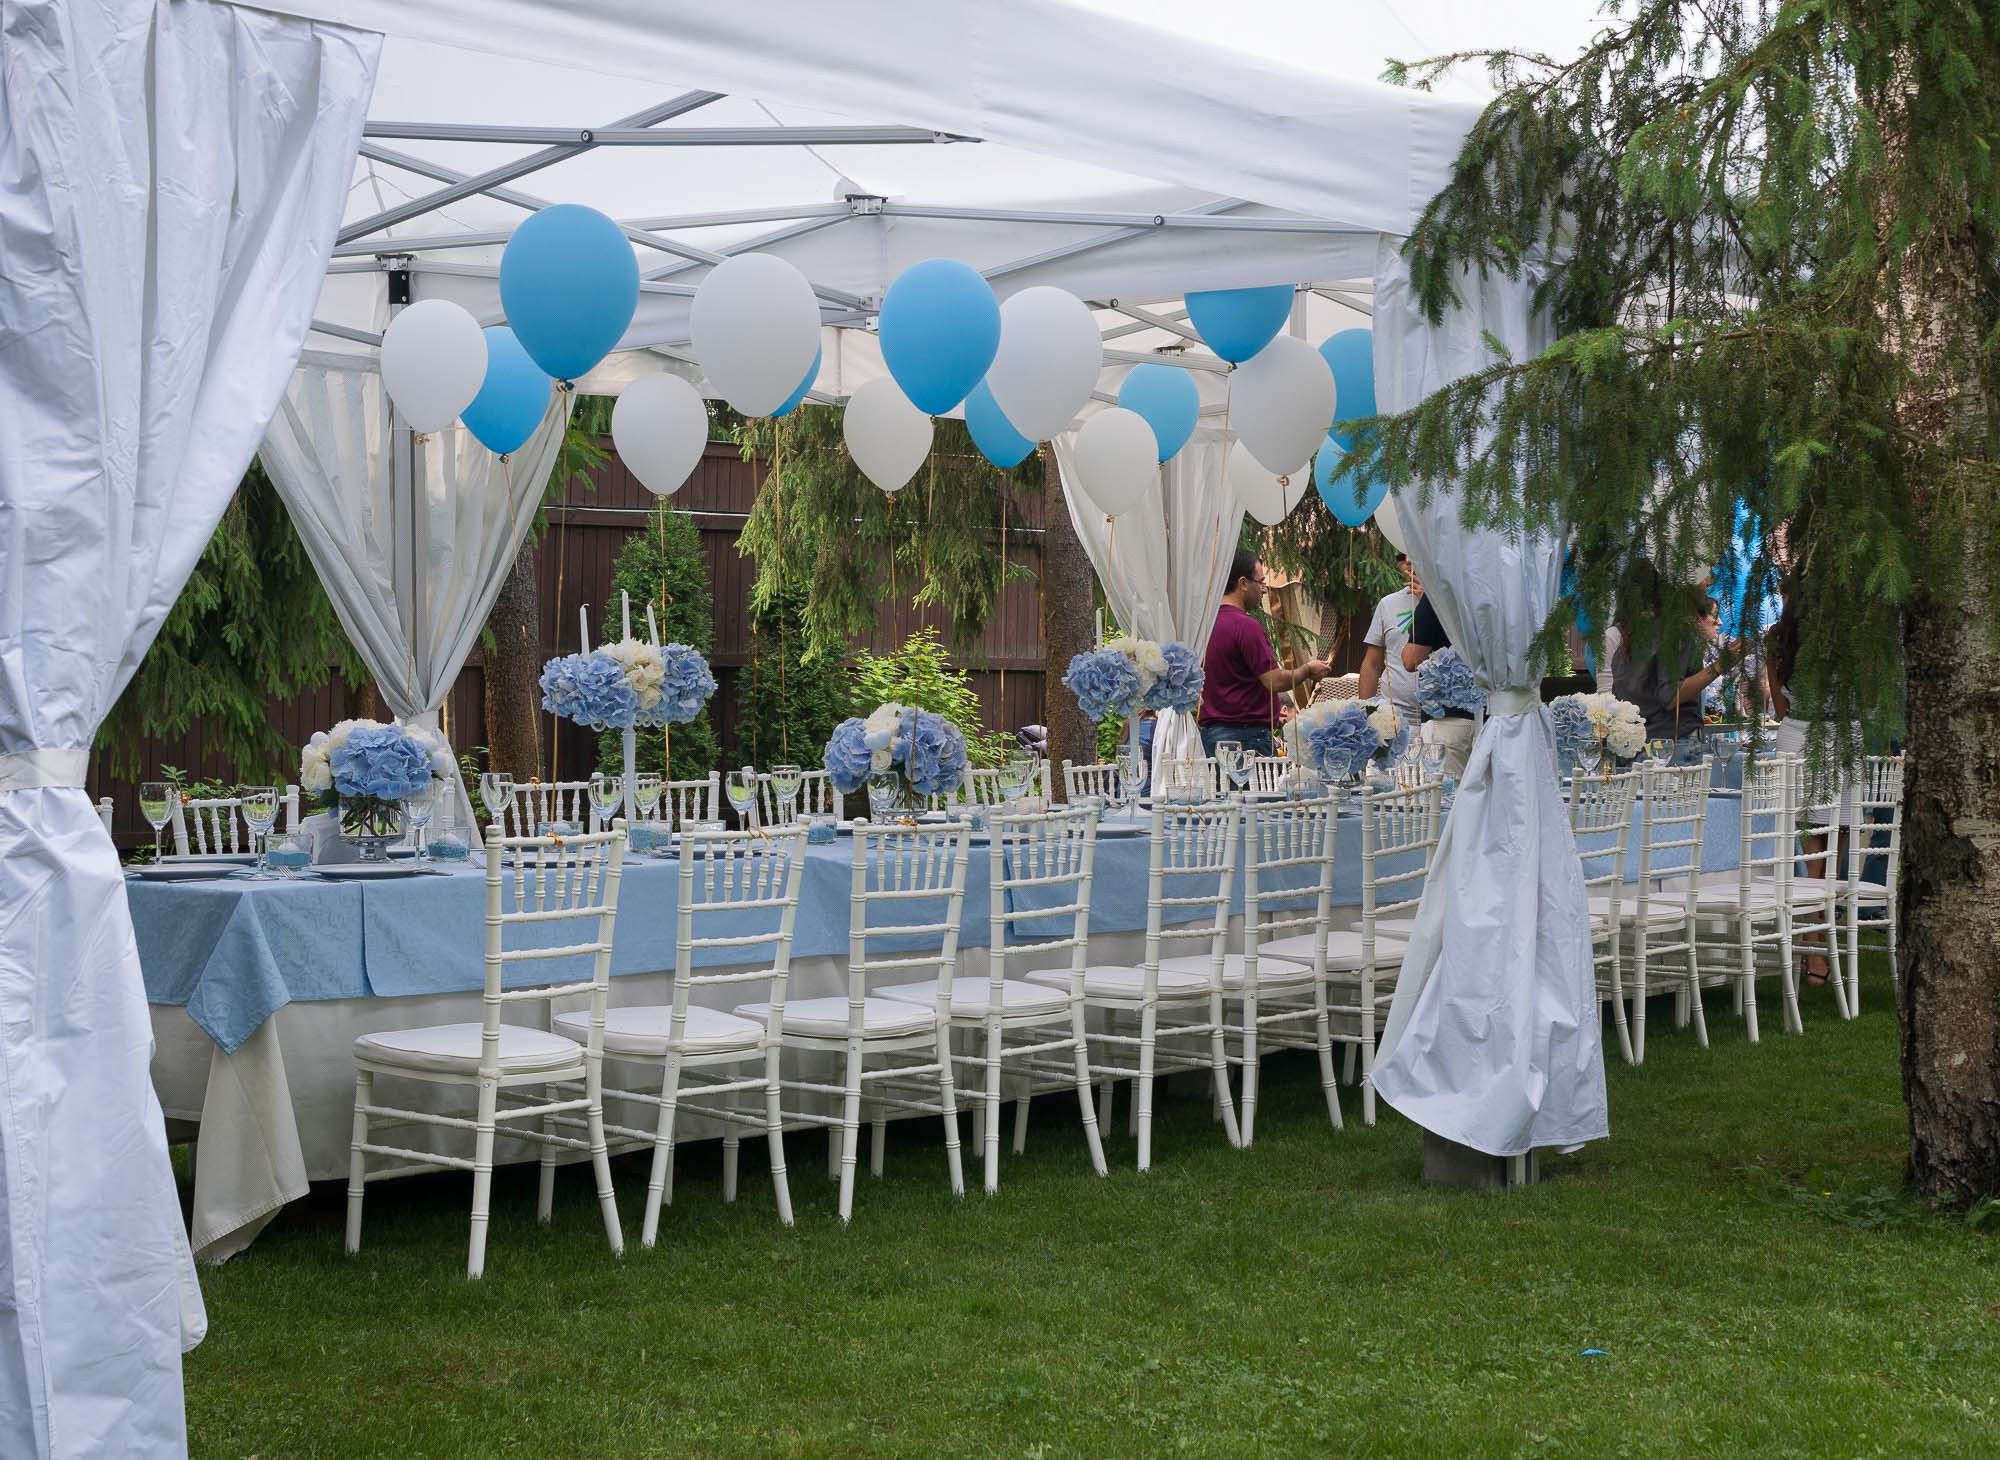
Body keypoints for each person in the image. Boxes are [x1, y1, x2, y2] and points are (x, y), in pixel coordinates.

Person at [1200, 548, 1330, 757]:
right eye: (1261, 582)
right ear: (1243, 583)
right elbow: (1274, 682)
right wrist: (1307, 669)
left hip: (1211, 736)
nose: (1264, 590)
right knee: (1253, 791)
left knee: (1222, 790)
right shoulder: (1245, 626)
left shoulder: (1203, 625)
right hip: (1246, 739)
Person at [1609, 563, 1744, 762]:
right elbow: (1671, 695)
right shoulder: (1675, 631)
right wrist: (1721, 665)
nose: (1709, 581)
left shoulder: (1634, 632)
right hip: (1672, 745)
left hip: (1639, 743)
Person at [1400, 593, 1477, 779]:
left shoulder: (1439, 592)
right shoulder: (1502, 587)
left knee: (1444, 799)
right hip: (1502, 715)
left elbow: (1411, 659)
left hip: (1449, 719)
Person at [1357, 553, 1422, 727]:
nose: (1408, 561)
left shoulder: (1451, 602)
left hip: (1443, 721)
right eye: (1401, 556)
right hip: (1395, 720)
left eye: (1413, 551)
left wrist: (1429, 603)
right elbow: (1372, 664)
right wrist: (1366, 715)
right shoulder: (1388, 604)